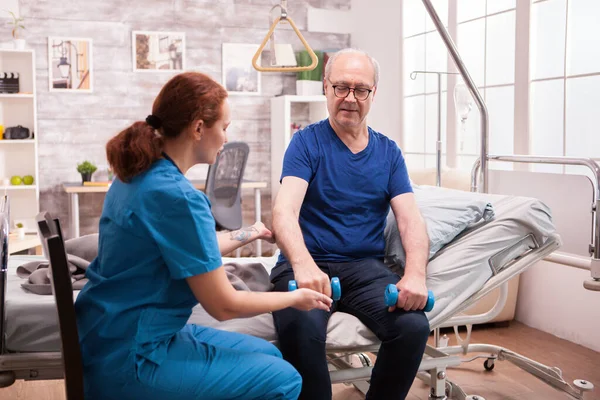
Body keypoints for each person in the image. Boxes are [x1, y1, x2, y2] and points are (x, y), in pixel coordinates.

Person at [73, 71, 333, 400]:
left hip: (108, 333)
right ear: (198, 128)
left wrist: (252, 232)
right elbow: (223, 305)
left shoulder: (136, 174)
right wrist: (296, 299)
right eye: (224, 127)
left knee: (271, 356)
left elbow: (195, 248)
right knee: (284, 380)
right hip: (133, 357)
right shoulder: (178, 196)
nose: (226, 138)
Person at [270, 48, 431, 400]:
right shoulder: (305, 143)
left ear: (373, 93)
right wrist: (303, 265)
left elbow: (410, 220)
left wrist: (416, 274)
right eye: (341, 87)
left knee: (412, 326)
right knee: (302, 327)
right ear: (325, 88)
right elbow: (284, 211)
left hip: (363, 268)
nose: (350, 98)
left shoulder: (388, 153)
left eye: (361, 90)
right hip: (305, 264)